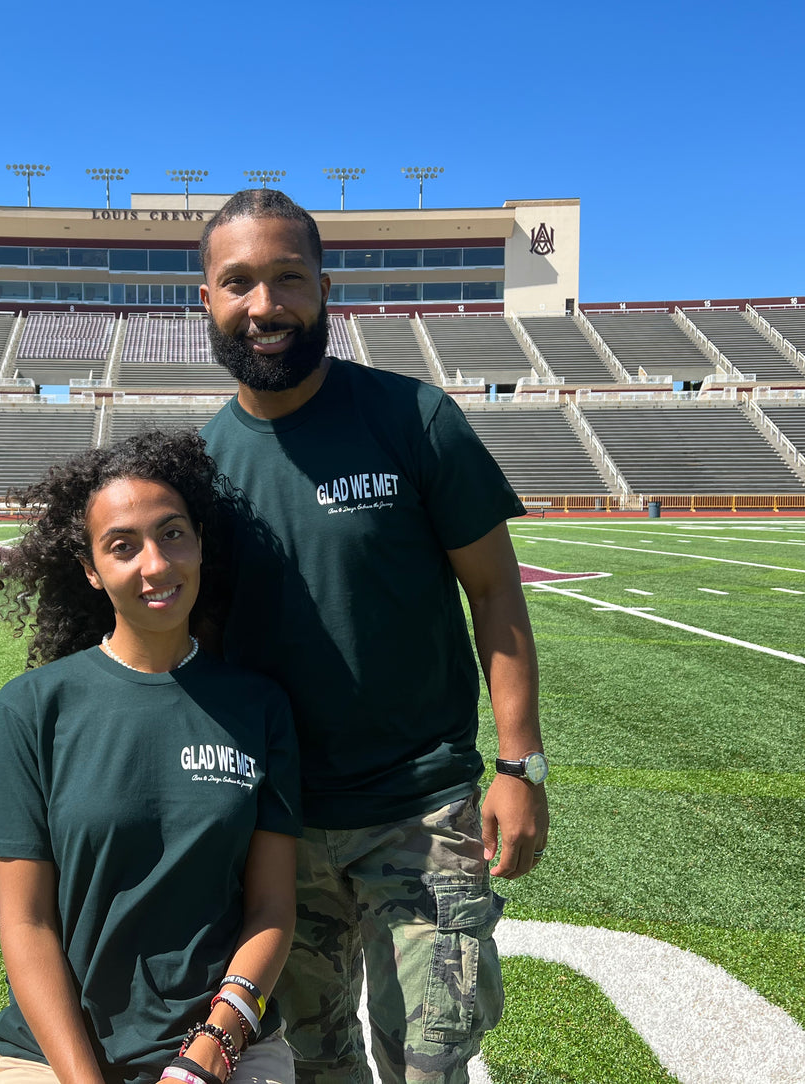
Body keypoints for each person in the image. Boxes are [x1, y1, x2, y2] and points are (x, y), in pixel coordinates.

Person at [197, 190, 550, 1084]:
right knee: (318, 1065)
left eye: (286, 278)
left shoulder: (413, 418)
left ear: (324, 288)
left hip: (419, 811)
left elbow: (495, 593)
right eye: (238, 282)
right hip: (277, 827)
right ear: (206, 299)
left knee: (430, 1062)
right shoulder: (196, 468)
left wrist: (519, 765)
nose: (264, 305)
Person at [0, 430, 304, 1084]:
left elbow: (270, 910)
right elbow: (26, 924)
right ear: (90, 569)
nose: (155, 563)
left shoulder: (259, 707)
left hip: (227, 1049)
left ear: (199, 541)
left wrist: (210, 1050)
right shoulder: (28, 711)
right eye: (122, 546)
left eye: (172, 534)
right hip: (52, 1057)